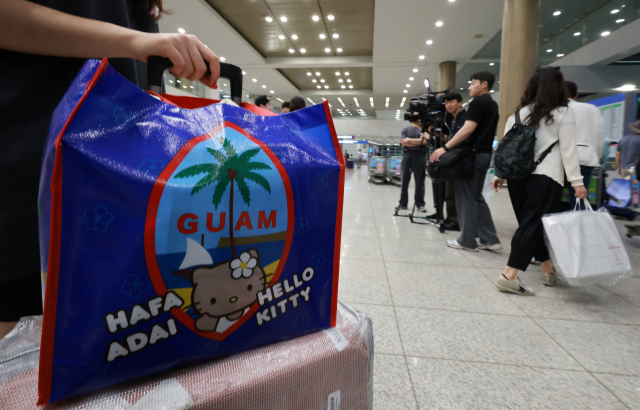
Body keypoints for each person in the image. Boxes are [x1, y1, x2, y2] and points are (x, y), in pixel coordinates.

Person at [0, 0, 221, 340]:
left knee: (113, 348)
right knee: (17, 367)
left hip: (113, 185)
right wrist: (133, 42)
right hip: (30, 170)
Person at [492, 67, 587, 295]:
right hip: (546, 176)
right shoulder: (563, 112)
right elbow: (568, 150)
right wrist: (577, 182)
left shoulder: (519, 113)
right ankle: (509, 275)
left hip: (516, 178)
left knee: (532, 224)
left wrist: (500, 174)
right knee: (532, 225)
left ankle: (547, 268)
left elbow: (507, 147)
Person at [430, 72, 501, 251]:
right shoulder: (492, 104)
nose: (469, 87)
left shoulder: (478, 102)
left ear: (484, 84)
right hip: (484, 155)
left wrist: (445, 147)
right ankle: (490, 239)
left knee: (466, 198)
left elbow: (468, 129)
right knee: (477, 197)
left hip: (472, 156)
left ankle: (467, 241)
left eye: (473, 83)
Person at [565, 81, 605, 208]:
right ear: (576, 95)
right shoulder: (591, 109)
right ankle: (577, 226)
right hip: (584, 158)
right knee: (578, 198)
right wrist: (597, 157)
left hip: (558, 160)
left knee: (554, 199)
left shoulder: (554, 110)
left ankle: (553, 226)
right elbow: (600, 136)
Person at [440, 92, 468, 231]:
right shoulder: (451, 120)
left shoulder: (466, 117)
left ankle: (456, 221)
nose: (448, 105)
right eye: (446, 103)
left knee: (457, 192)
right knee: (449, 191)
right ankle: (452, 218)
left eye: (451, 102)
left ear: (460, 102)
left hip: (461, 158)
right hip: (452, 158)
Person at [396, 113, 430, 212]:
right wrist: (419, 141)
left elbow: (425, 142)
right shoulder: (405, 130)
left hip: (420, 156)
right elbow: (403, 143)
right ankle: (403, 203)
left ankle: (420, 204)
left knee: (420, 181)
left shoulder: (424, 130)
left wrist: (409, 140)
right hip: (407, 156)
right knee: (404, 181)